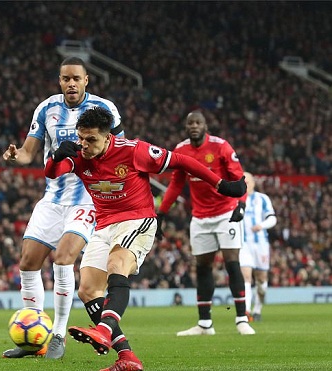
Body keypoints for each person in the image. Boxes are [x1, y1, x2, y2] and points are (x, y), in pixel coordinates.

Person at [45, 106, 247, 371]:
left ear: (108, 138)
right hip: (103, 224)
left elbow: (181, 162)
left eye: (91, 139)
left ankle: (105, 329)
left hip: (137, 219)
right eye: (81, 138)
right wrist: (55, 156)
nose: (84, 145)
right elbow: (52, 173)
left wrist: (220, 185)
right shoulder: (80, 154)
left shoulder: (133, 150)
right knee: (87, 290)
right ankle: (127, 357)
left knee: (117, 266)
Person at [2, 56, 124, 359]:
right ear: (60, 81)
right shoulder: (46, 109)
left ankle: (58, 333)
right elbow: (30, 153)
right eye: (65, 78)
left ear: (86, 81)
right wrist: (16, 156)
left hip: (87, 197)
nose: (70, 83)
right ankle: (34, 337)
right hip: (53, 198)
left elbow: (119, 151)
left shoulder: (104, 109)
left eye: (76, 79)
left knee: (64, 257)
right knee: (28, 261)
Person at [157, 110, 255, 336]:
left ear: (205, 126)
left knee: (232, 262)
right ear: (186, 126)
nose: (194, 126)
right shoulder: (181, 150)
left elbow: (238, 177)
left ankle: (241, 319)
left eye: (198, 122)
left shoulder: (220, 147)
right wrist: (161, 212)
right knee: (202, 267)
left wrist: (241, 204)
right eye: (190, 122)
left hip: (226, 213)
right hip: (200, 217)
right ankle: (204, 324)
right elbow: (175, 185)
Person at [239, 172, 276, 322]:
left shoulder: (262, 199)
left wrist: (261, 225)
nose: (245, 184)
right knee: (246, 277)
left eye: (247, 181)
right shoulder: (234, 199)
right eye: (242, 181)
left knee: (261, 281)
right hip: (243, 244)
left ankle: (258, 308)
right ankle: (246, 312)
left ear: (254, 183)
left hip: (260, 244)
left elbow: (272, 218)